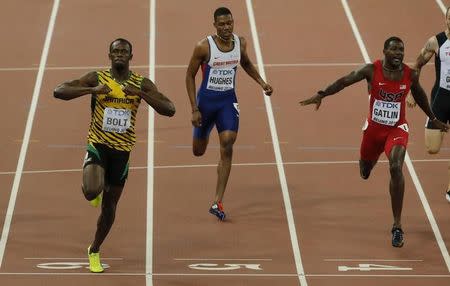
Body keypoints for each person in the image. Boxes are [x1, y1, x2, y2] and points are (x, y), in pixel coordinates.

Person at [300, 37, 448, 248]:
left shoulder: (410, 74)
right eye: (394, 50)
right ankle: (370, 162)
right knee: (364, 171)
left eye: (402, 50)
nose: (399, 54)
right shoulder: (371, 70)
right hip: (373, 132)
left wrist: (434, 119)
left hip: (396, 130)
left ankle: (397, 226)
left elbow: (421, 95)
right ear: (384, 52)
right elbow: (345, 80)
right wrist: (322, 94)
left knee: (396, 166)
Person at [54, 38, 175, 272]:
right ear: (109, 55)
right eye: (115, 51)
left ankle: (95, 249)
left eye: (124, 52)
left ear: (131, 57)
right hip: (98, 145)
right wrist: (92, 90)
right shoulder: (97, 78)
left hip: (122, 152)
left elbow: (170, 109)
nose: (119, 54)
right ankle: (96, 188)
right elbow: (59, 91)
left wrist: (140, 93)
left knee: (109, 210)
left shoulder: (142, 82)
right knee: (91, 191)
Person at [185, 7, 273, 221]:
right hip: (205, 104)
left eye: (229, 23)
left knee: (228, 143)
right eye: (222, 24)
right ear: (214, 25)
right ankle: (207, 142)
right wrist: (194, 109)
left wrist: (262, 83)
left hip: (227, 102)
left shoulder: (240, 43)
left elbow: (245, 63)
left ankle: (217, 200)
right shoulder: (203, 47)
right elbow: (189, 76)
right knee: (198, 151)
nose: (226, 27)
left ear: (233, 23)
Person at [406, 7, 450, 203]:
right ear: (446, 19)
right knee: (432, 148)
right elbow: (417, 65)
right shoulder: (436, 42)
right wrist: (413, 92)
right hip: (441, 98)